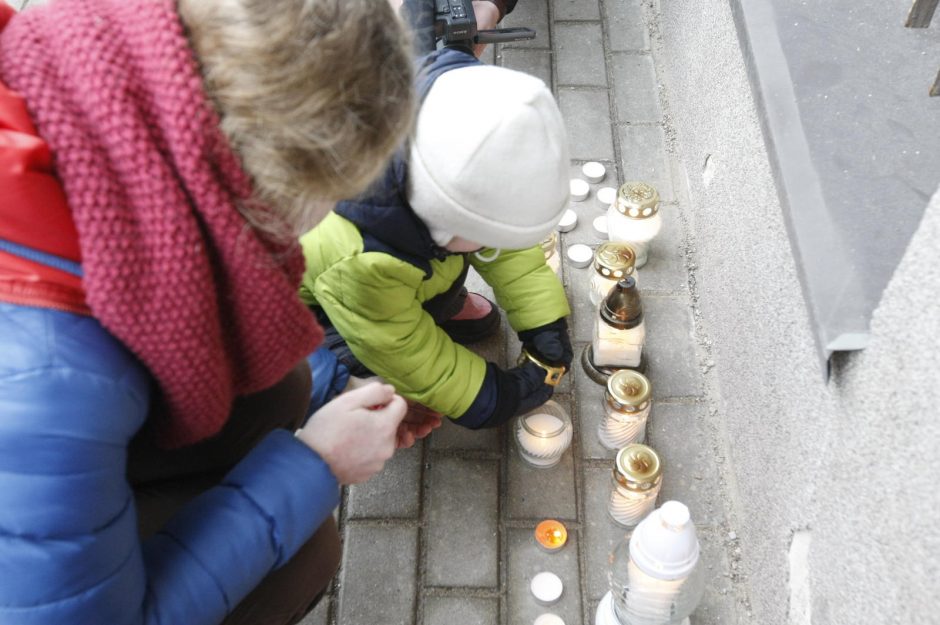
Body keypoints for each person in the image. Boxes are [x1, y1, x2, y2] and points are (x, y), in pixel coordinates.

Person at [0, 1, 415, 623]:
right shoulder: (54, 382)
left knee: (285, 385)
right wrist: (318, 465)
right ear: (252, 187)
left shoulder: (81, 52)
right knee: (310, 546)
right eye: (331, 196)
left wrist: (332, 384)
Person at [299, 46, 574, 432]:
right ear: (445, 220)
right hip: (323, 311)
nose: (489, 245)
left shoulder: (446, 131)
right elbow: (401, 347)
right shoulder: (360, 261)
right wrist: (490, 397)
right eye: (482, 237)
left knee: (431, 273)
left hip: (398, 273)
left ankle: (439, 304)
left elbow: (501, 244)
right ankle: (349, 374)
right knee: (371, 350)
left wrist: (542, 321)